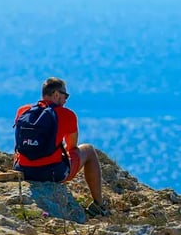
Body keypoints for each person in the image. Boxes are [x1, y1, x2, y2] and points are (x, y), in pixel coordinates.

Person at [13, 77, 109, 216]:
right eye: (65, 96)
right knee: (88, 150)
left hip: (23, 171)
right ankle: (99, 205)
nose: (65, 100)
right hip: (52, 173)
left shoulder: (23, 111)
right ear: (56, 94)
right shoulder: (67, 115)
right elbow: (72, 147)